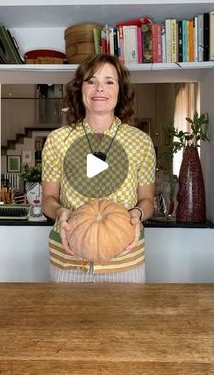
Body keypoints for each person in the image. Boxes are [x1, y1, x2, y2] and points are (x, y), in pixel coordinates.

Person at [42, 53, 156, 283]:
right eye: (91, 81)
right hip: (68, 260)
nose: (99, 89)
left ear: (119, 91)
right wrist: (60, 211)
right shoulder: (57, 140)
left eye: (109, 81)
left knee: (126, 321)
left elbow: (147, 202)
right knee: (66, 320)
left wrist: (137, 214)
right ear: (80, 89)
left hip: (125, 261)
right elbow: (48, 199)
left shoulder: (140, 141)